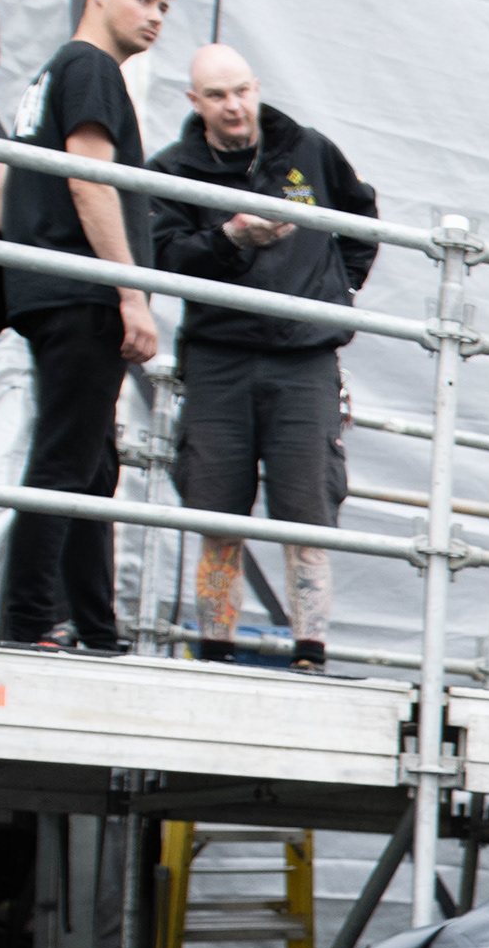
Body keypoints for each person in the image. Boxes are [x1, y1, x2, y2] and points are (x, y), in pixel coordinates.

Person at [144, 42, 380, 670]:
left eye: (242, 90)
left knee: (306, 515)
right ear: (194, 102)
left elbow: (362, 215)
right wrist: (230, 238)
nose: (234, 106)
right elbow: (162, 257)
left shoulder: (308, 149)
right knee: (217, 515)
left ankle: (310, 655)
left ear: (256, 87)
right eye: (217, 95)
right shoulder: (172, 169)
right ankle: (214, 653)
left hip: (305, 357)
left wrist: (339, 290)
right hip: (219, 359)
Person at [0, 0, 174, 651]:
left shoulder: (44, 79)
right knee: (68, 464)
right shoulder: (92, 68)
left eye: (163, 7)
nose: (155, 16)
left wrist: (39, 255)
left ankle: (97, 630)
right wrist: (131, 293)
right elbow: (88, 180)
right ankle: (29, 622)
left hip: (54, 289)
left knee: (93, 468)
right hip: (84, 293)